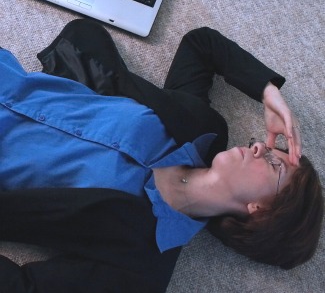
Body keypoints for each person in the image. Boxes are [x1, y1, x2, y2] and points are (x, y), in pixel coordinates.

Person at [0, 19, 323, 293]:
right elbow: (202, 44)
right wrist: (269, 93)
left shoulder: (142, 263)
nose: (260, 147)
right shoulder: (200, 128)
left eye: (272, 162)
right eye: (269, 147)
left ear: (261, 212)